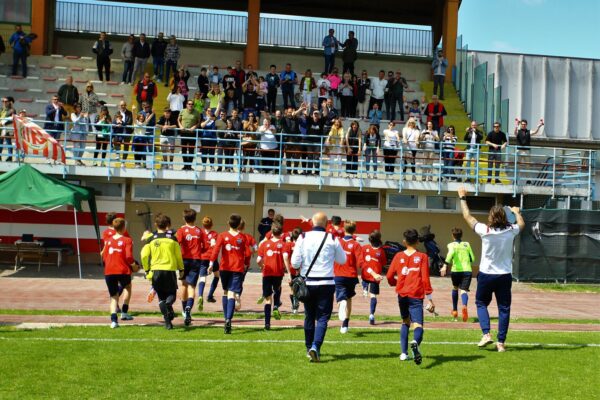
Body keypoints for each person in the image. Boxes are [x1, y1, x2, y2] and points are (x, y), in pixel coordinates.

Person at [457, 186, 525, 352]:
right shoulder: (511, 230)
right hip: (504, 275)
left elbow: (467, 216)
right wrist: (516, 212)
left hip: (486, 275)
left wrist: (463, 198)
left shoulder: (485, 230)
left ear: (491, 217)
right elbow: (522, 224)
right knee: (504, 308)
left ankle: (486, 334)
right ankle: (500, 343)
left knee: (481, 303)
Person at [291, 212, 346, 362]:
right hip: (326, 282)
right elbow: (342, 259)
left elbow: (294, 263)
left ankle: (309, 348)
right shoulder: (332, 238)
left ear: (312, 222)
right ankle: (316, 346)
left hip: (308, 282)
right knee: (322, 318)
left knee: (309, 316)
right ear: (327, 223)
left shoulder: (302, 237)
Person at [386, 229, 435, 364]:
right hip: (416, 295)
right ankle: (415, 342)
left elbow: (389, 276)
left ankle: (403, 353)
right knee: (418, 324)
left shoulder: (397, 256)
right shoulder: (423, 257)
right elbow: (425, 278)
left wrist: (395, 284)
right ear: (418, 241)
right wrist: (430, 298)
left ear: (404, 241)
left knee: (405, 321)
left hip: (402, 294)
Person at [209, 214, 251, 334]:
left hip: (224, 268)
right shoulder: (243, 237)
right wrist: (246, 264)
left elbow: (216, 250)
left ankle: (225, 318)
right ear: (239, 224)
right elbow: (247, 253)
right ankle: (228, 319)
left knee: (226, 292)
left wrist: (211, 263)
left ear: (228, 223)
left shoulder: (222, 235)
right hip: (237, 268)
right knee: (232, 293)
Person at [141, 213, 184, 330]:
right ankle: (169, 304)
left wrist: (146, 269)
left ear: (156, 225)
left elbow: (144, 255)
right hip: (169, 270)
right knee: (172, 295)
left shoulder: (150, 239)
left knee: (161, 297)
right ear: (168, 225)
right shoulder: (173, 239)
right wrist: (181, 269)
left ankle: (167, 323)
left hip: (156, 271)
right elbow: (178, 256)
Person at [101, 218, 137, 328]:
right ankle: (124, 312)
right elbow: (128, 256)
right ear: (123, 228)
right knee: (128, 287)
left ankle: (113, 321)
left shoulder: (109, 240)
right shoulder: (127, 240)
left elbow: (103, 255)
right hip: (122, 270)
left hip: (109, 270)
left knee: (113, 296)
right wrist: (134, 265)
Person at [175, 208, 205, 326]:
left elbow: (177, 243)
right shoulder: (199, 231)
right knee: (192, 286)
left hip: (183, 261)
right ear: (195, 218)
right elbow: (204, 246)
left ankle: (183, 310)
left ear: (184, 218)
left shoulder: (181, 230)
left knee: (183, 284)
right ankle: (188, 308)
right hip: (196, 260)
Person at [441, 227, 475, 322]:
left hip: (456, 271)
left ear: (453, 236)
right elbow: (472, 258)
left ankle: (455, 310)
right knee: (464, 291)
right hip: (467, 270)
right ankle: (464, 305)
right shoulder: (467, 244)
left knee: (455, 288)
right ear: (461, 235)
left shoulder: (451, 245)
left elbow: (450, 254)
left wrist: (445, 265)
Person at [256, 223, 286, 330]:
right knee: (277, 289)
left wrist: (262, 266)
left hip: (267, 273)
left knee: (268, 299)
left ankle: (267, 324)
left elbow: (258, 260)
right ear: (281, 233)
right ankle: (276, 306)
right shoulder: (283, 244)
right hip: (278, 273)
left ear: (271, 233)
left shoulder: (264, 244)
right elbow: (285, 258)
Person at [334, 220, 362, 334]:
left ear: (344, 229)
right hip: (351, 275)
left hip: (338, 274)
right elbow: (360, 263)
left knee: (341, 297)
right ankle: (345, 324)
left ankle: (341, 301)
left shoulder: (337, 242)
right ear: (354, 230)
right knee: (349, 298)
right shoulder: (356, 245)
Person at [361, 230, 387, 325]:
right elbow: (384, 263)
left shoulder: (364, 248)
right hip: (375, 277)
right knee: (373, 296)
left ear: (369, 239)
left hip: (366, 275)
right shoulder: (381, 251)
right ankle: (371, 314)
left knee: (364, 282)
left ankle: (364, 287)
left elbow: (361, 262)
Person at [514, 118, 544, 184]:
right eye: (522, 124)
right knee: (518, 166)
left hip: (527, 151)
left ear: (526, 125)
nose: (523, 125)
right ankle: (516, 180)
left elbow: (535, 132)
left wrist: (538, 126)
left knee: (527, 166)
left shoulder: (528, 131)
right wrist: (516, 126)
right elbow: (515, 133)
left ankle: (528, 180)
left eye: (524, 124)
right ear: (520, 125)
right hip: (519, 150)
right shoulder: (518, 131)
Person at [199, 216, 219, 307]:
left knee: (202, 277)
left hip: (202, 258)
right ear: (212, 225)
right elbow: (214, 245)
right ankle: (210, 295)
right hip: (212, 257)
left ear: (203, 225)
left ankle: (200, 295)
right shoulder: (214, 234)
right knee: (216, 275)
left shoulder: (200, 233)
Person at [177, 100, 201, 170]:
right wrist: (180, 126)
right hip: (183, 133)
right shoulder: (182, 111)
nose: (190, 105)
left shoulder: (197, 112)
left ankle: (189, 166)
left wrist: (195, 126)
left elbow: (199, 122)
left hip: (192, 133)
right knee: (183, 150)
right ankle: (185, 165)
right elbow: (178, 120)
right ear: (186, 105)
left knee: (191, 150)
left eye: (192, 104)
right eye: (189, 104)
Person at [283, 228, 302, 314]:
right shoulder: (303, 245)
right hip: (302, 270)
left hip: (291, 269)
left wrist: (288, 272)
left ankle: (295, 307)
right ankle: (295, 305)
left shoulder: (288, 245)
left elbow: (286, 257)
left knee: (292, 289)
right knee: (300, 289)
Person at [0, 97, 15, 162]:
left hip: (7, 128)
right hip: (0, 128)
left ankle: (10, 157)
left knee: (8, 142)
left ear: (10, 102)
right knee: (0, 143)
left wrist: (3, 122)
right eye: (3, 101)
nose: (4, 102)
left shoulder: (12, 110)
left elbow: (12, 119)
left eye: (6, 101)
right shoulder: (1, 109)